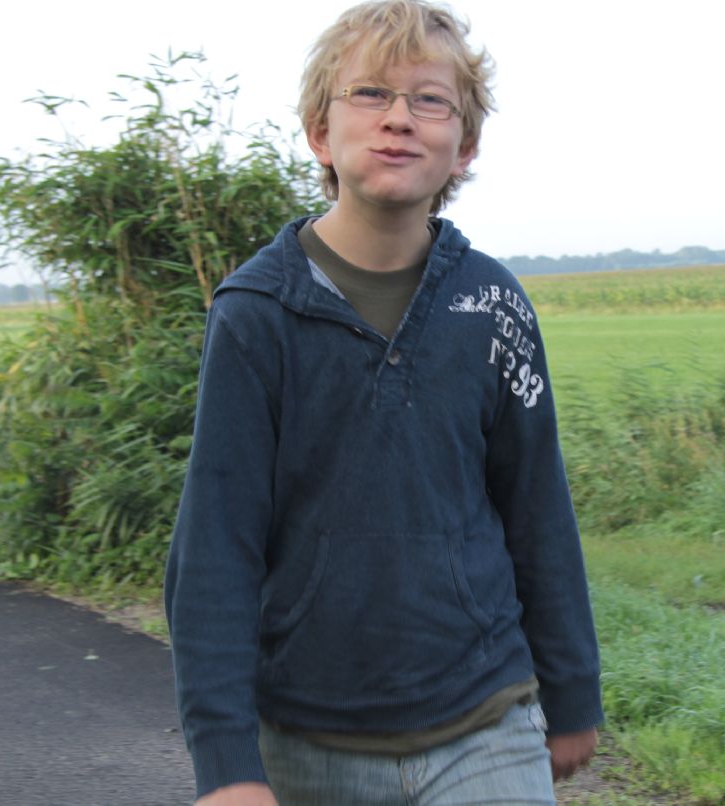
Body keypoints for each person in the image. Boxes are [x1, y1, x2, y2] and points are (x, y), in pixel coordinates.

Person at [164, 1, 603, 803]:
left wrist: (572, 692)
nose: (398, 118)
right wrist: (226, 763)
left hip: (486, 715)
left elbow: (537, 504)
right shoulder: (257, 312)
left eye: (430, 100)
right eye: (369, 93)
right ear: (319, 133)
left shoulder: (493, 304)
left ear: (464, 146)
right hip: (307, 736)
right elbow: (217, 543)